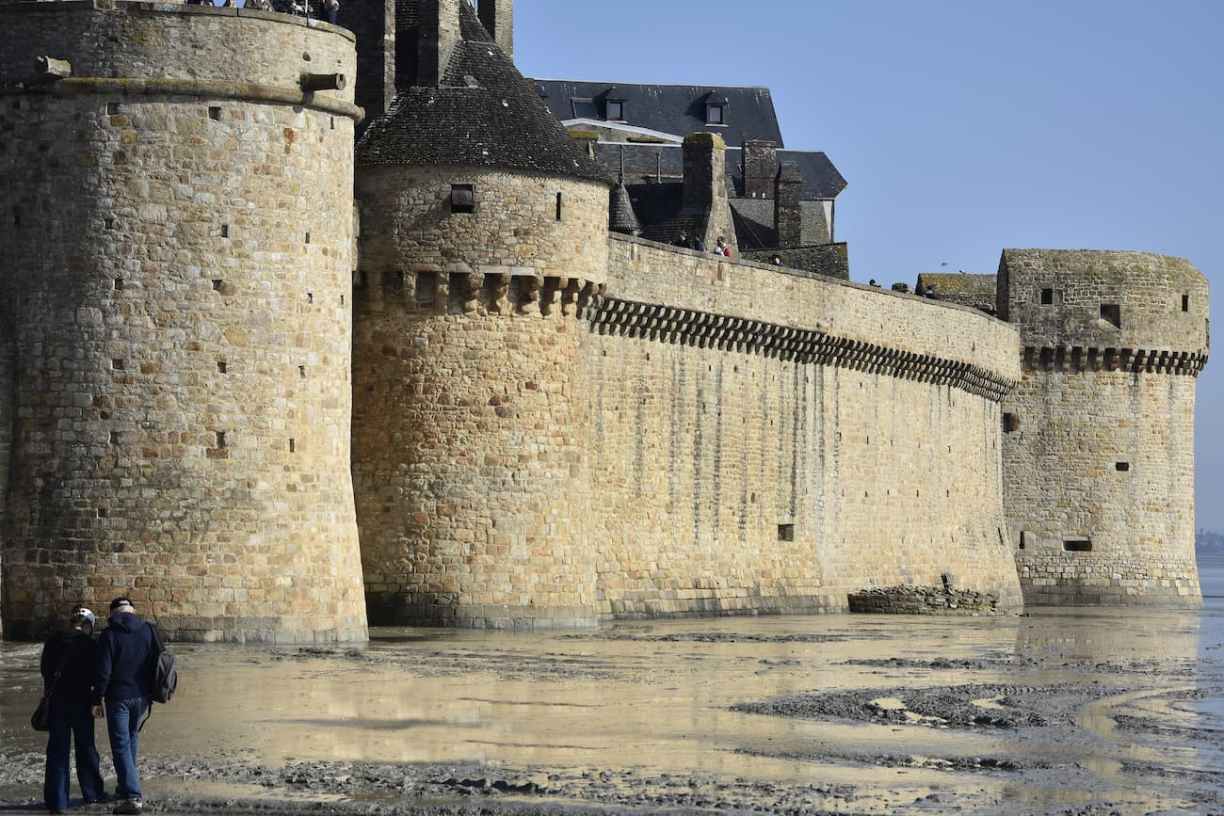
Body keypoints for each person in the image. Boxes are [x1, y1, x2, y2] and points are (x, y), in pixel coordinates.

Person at [94, 598, 157, 816]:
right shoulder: (148, 630)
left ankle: (132, 796)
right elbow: (156, 661)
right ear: (132, 611)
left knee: (121, 744)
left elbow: (103, 672)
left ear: (112, 613)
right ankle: (124, 787)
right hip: (142, 696)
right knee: (131, 738)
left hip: (118, 697)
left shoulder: (109, 635)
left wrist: (96, 698)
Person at [41, 607, 106, 815]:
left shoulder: (53, 640)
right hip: (82, 701)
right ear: (88, 625)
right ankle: (93, 794)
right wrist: (96, 700)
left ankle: (57, 802)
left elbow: (45, 670)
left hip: (58, 702)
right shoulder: (90, 644)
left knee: (57, 752)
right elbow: (98, 675)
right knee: (86, 748)